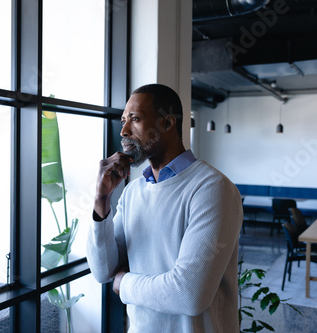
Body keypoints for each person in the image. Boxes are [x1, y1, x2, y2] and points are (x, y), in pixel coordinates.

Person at [86, 83, 243, 332]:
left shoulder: (213, 189)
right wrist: (102, 201)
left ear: (167, 124)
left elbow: (188, 295)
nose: (124, 130)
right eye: (123, 120)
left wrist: (124, 283)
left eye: (135, 119)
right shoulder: (133, 192)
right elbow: (103, 270)